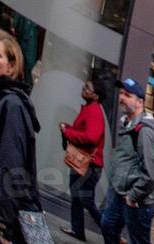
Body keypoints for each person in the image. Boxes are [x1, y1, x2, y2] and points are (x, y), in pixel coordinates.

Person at [0, 28, 49, 244]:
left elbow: (11, 168)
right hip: (4, 208)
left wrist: (5, 229)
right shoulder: (2, 98)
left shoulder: (11, 105)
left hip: (11, 214)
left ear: (12, 66)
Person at [101, 78, 154, 244]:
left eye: (127, 95)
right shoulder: (127, 124)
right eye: (121, 94)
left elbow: (152, 175)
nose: (122, 98)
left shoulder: (145, 132)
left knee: (137, 240)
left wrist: (133, 196)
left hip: (136, 201)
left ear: (140, 102)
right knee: (108, 226)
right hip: (119, 192)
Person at [59, 78, 107, 241]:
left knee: (85, 199)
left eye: (87, 87)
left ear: (96, 95)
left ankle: (111, 233)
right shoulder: (89, 108)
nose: (83, 88)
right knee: (77, 196)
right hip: (83, 162)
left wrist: (68, 133)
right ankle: (77, 230)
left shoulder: (94, 111)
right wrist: (68, 128)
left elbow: (91, 138)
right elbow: (83, 132)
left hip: (90, 165)